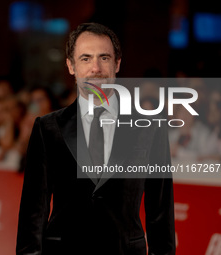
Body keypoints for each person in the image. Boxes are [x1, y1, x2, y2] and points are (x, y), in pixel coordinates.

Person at [16, 23, 175, 255]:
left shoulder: (150, 128)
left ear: (117, 63)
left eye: (104, 58)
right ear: (71, 66)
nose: (96, 68)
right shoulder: (47, 128)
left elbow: (160, 213)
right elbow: (33, 213)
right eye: (85, 58)